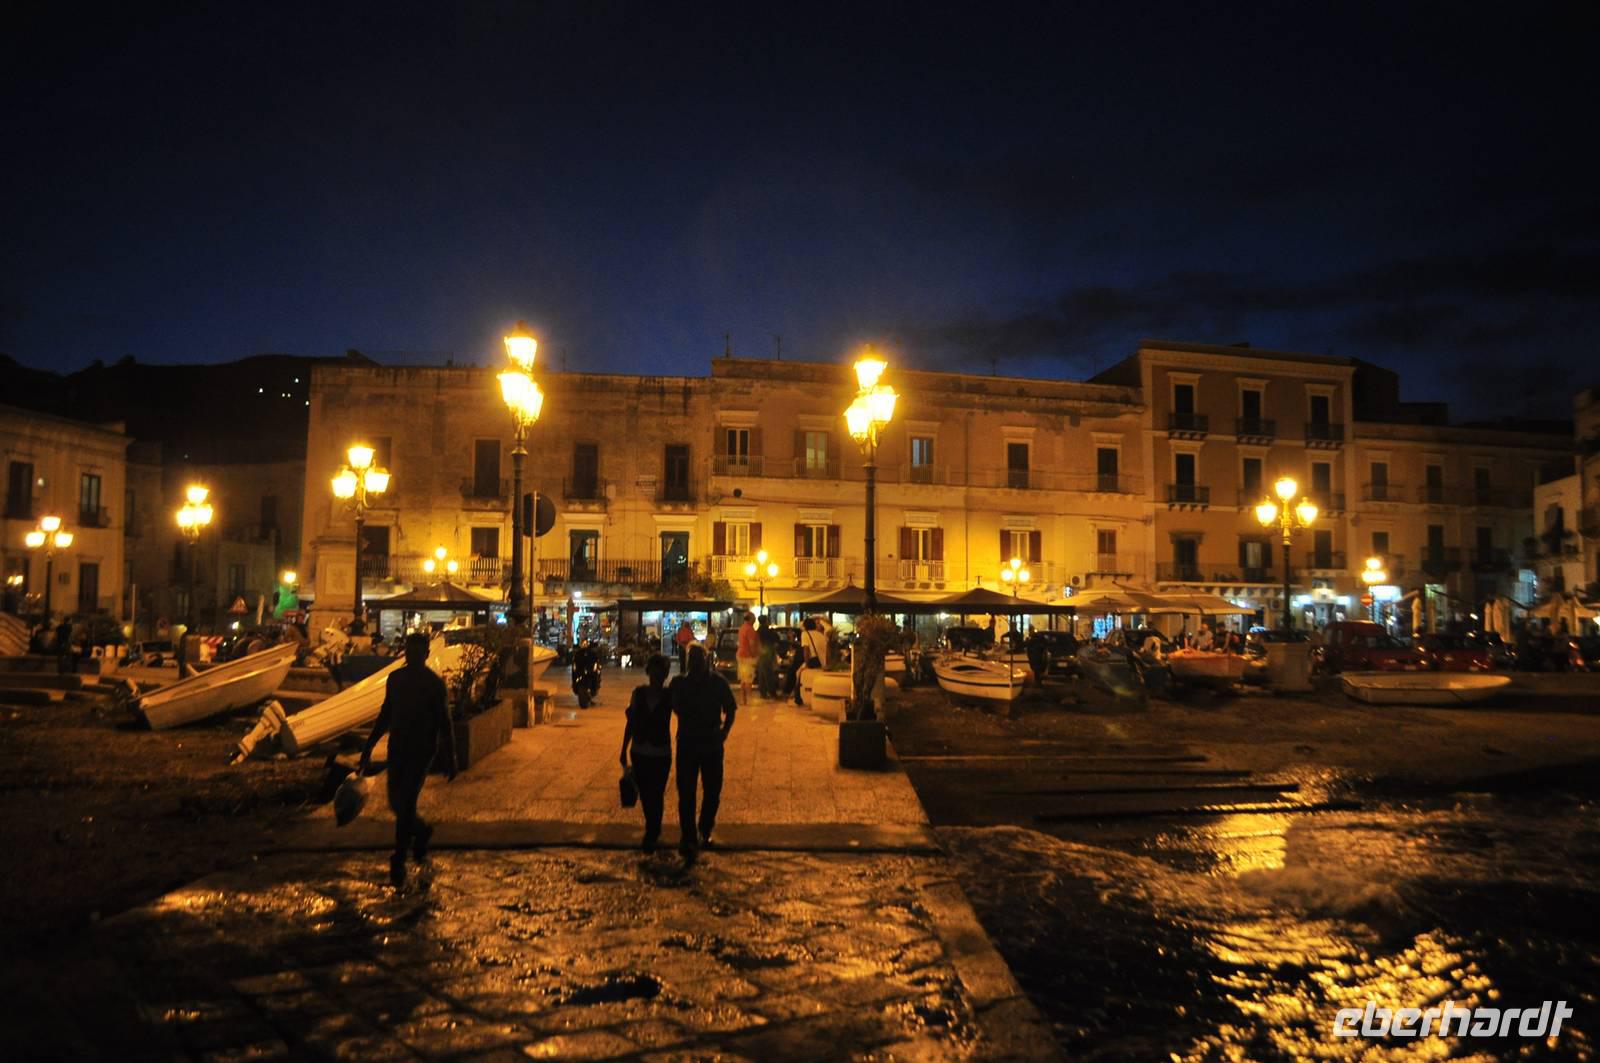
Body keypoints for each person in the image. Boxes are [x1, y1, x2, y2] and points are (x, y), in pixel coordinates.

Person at [360, 631, 456, 889]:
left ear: (426, 655)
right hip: (398, 747)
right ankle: (421, 831)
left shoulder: (434, 684)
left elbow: (445, 722)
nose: (412, 656)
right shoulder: (396, 679)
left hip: (421, 750)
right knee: (396, 802)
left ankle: (399, 855)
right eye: (409, 651)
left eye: (417, 652)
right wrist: (369, 745)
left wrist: (451, 757)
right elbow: (386, 713)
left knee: (406, 802)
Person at [670, 643, 736, 862]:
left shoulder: (717, 682)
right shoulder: (679, 683)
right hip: (688, 742)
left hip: (710, 742)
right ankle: (688, 835)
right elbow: (671, 705)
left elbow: (731, 708)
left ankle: (704, 829)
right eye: (692, 659)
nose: (694, 663)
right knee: (686, 792)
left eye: (698, 658)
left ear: (705, 660)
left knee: (712, 791)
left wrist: (724, 732)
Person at [620, 654, 673, 853]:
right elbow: (631, 722)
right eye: (654, 674)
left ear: (665, 675)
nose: (657, 678)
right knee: (645, 793)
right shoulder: (638, 693)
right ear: (649, 673)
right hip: (640, 750)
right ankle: (652, 829)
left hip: (661, 752)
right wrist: (623, 749)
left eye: (660, 674)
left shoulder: (669, 696)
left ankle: (652, 831)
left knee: (657, 793)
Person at [795, 617, 827, 706]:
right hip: (823, 661)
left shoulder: (805, 634)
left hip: (814, 661)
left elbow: (806, 651)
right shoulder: (820, 635)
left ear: (805, 626)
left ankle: (798, 697)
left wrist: (806, 664)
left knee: (798, 673)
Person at [735, 611, 759, 705]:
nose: (755, 620)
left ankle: (743, 699)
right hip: (747, 657)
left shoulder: (742, 628)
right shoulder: (750, 629)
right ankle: (749, 699)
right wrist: (754, 655)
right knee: (749, 679)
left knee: (743, 679)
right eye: (754, 618)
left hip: (740, 655)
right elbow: (751, 644)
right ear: (750, 619)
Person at [755, 616, 779, 699]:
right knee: (768, 674)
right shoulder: (768, 631)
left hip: (760, 654)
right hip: (767, 653)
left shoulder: (758, 631)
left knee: (761, 674)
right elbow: (776, 639)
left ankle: (763, 693)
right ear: (766, 621)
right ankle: (772, 693)